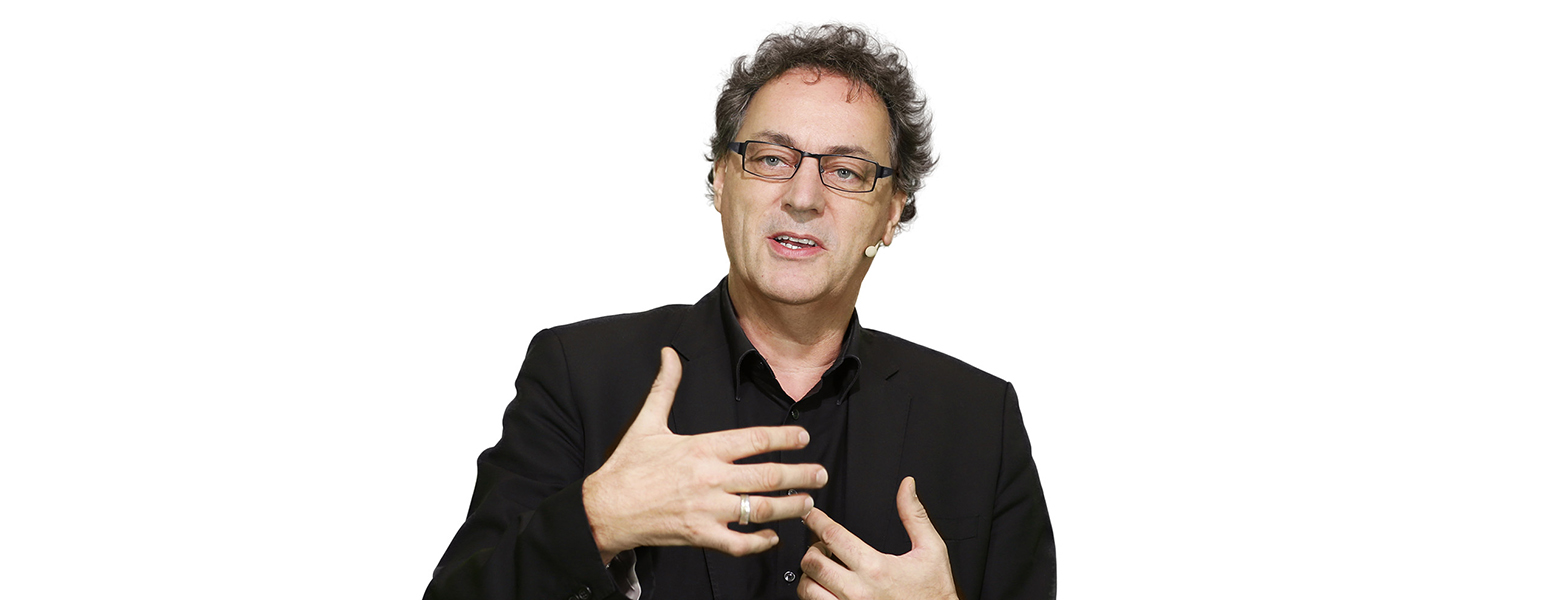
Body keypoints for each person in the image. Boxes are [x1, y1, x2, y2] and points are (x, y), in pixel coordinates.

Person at [424, 24, 1055, 600]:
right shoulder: (580, 374)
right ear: (722, 181)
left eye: (845, 170)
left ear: (891, 213)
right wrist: (598, 519)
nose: (803, 197)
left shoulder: (982, 420)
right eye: (772, 158)